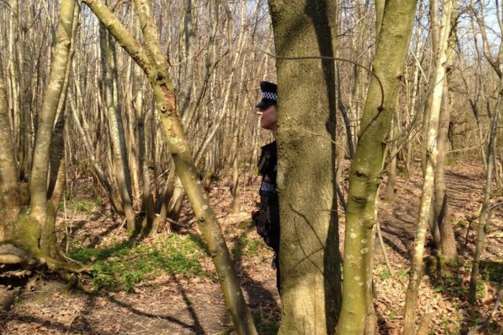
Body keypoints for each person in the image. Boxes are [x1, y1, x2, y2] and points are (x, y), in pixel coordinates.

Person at [251, 81, 280, 292]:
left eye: (265, 107)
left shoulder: (287, 152)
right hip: (280, 244)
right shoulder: (272, 151)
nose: (259, 111)